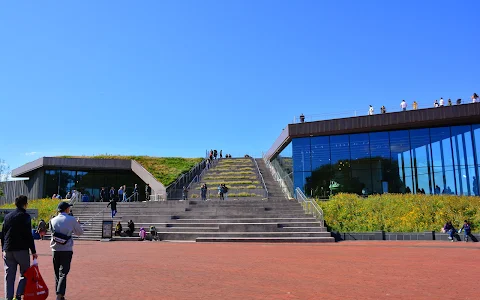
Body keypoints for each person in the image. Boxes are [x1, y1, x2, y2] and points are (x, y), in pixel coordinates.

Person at [1, 195, 38, 300]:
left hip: (8, 249)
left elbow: (3, 233)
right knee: (25, 273)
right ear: (25, 204)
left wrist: (3, 248)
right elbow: (28, 235)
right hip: (21, 249)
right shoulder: (25, 216)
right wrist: (33, 251)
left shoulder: (7, 217)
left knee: (9, 275)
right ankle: (18, 295)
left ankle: (8, 297)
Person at [50, 201, 84, 300]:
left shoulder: (53, 220)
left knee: (57, 272)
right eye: (68, 208)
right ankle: (59, 294)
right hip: (66, 249)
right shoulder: (71, 219)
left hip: (55, 249)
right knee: (63, 272)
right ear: (66, 209)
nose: (69, 209)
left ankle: (59, 293)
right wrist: (77, 224)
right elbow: (79, 233)